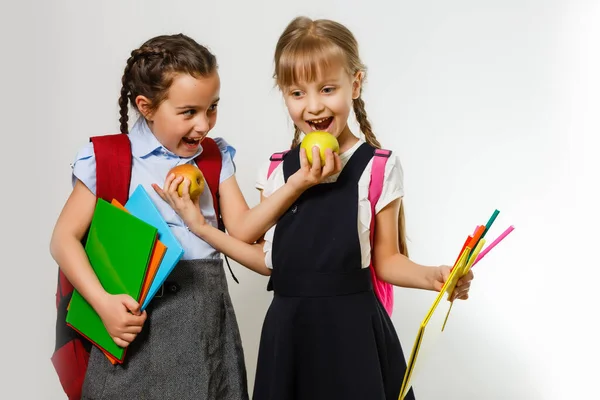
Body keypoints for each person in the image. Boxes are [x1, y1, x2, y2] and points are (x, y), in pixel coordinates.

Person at [156, 17, 474, 400]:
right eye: (296, 93)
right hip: (290, 333)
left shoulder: (378, 166)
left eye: (327, 89)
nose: (313, 106)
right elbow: (269, 260)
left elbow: (386, 261)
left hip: (355, 333)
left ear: (355, 85)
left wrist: (435, 276)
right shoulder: (277, 170)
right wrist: (202, 227)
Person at [49, 32, 340, 400]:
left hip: (205, 333)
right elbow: (63, 240)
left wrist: (297, 184)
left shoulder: (215, 158)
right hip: (130, 333)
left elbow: (245, 230)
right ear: (146, 106)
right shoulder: (109, 157)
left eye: (212, 108)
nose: (204, 125)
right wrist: (103, 304)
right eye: (189, 112)